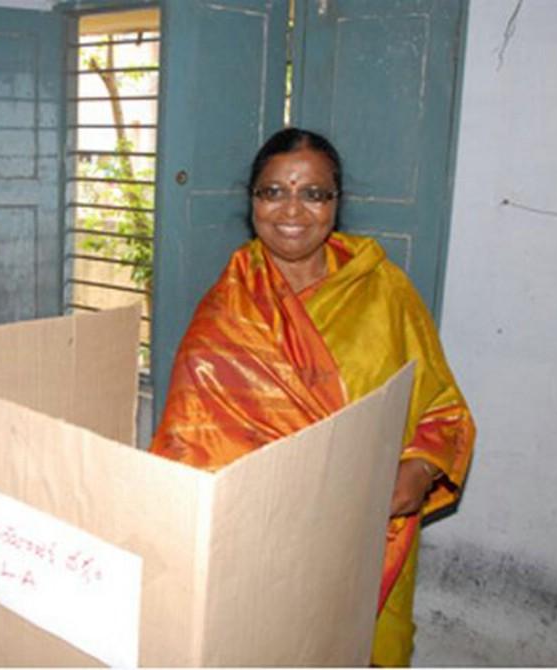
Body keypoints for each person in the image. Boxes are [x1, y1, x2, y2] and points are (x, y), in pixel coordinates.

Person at [150, 127, 475, 666]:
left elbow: (441, 407)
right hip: (259, 542)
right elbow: (189, 442)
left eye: (313, 193)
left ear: (336, 203)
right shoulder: (228, 306)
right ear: (251, 201)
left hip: (367, 530)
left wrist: (415, 475)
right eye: (273, 191)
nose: (291, 210)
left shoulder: (385, 291)